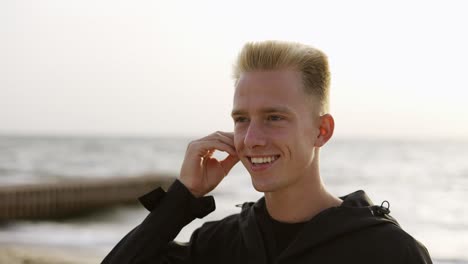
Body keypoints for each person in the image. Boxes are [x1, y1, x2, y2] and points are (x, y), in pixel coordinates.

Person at [102, 40, 432, 263]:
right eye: (242, 119)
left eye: (274, 118)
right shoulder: (219, 243)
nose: (253, 138)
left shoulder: (390, 251)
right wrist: (182, 198)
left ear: (322, 130)